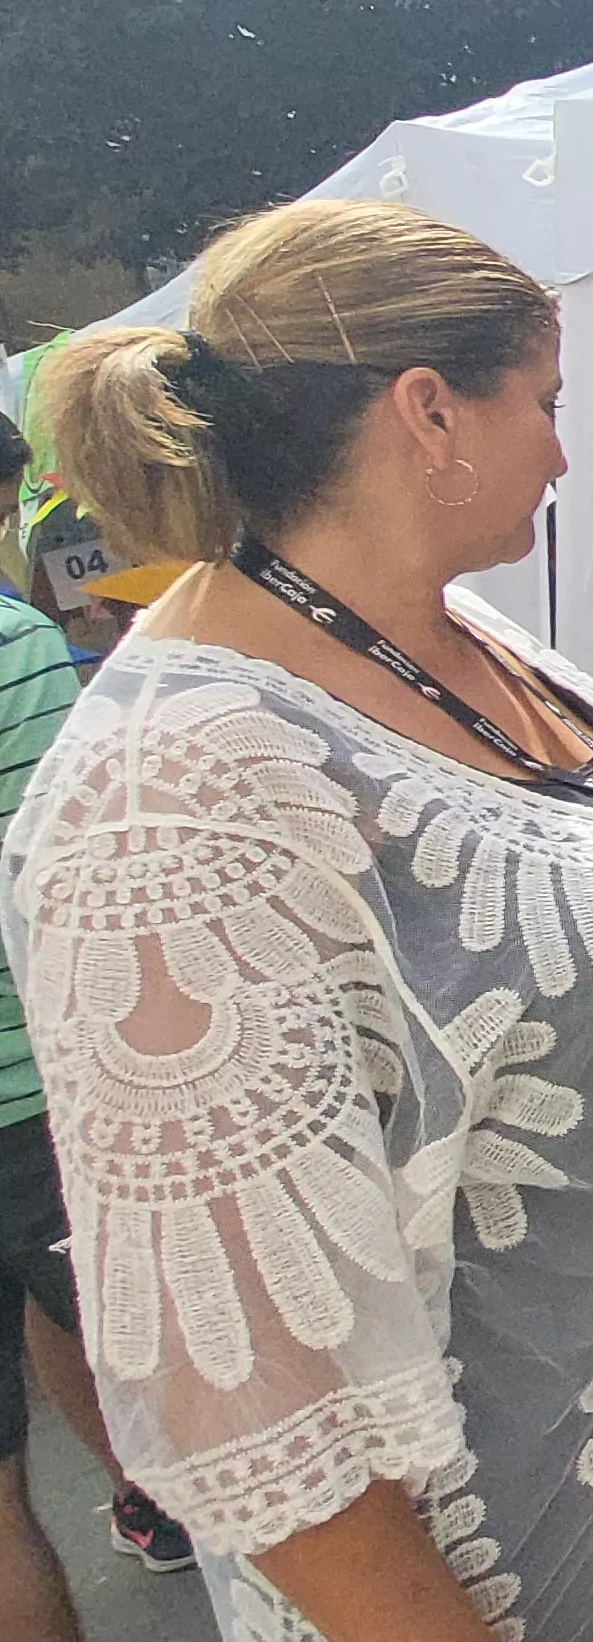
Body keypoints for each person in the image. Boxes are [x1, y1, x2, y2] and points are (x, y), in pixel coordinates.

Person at [4, 199, 593, 1642]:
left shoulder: (443, 624)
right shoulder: (169, 803)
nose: (569, 449)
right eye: (547, 402)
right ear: (428, 413)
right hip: (550, 1543)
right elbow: (256, 1420)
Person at [3, 414, 195, 1640]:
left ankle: (141, 1494)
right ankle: (169, 1500)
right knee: (197, 1389)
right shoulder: (21, 652)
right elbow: (75, 876)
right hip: (53, 1086)